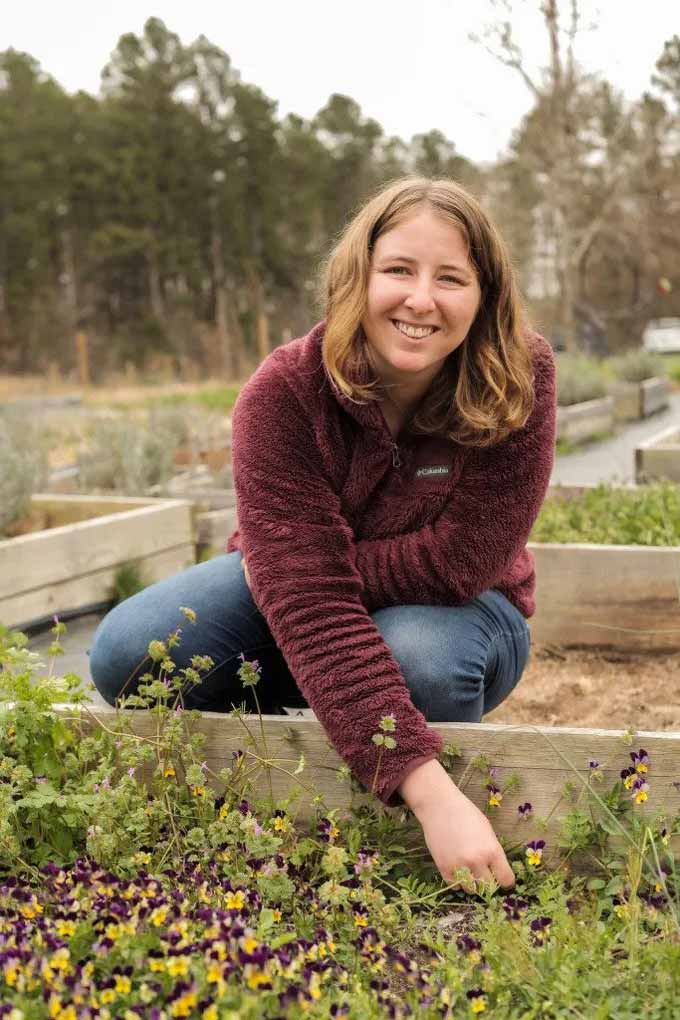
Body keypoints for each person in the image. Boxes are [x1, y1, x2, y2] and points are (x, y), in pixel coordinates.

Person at [90, 176, 556, 891]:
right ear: (356, 276)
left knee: (421, 662)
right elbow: (307, 595)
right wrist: (298, 583)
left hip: (466, 609)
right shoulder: (284, 393)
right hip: (299, 592)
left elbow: (462, 561)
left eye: (451, 278)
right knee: (129, 655)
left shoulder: (518, 377)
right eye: (398, 269)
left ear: (486, 295)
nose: (420, 300)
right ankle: (335, 704)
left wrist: (296, 574)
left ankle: (370, 710)